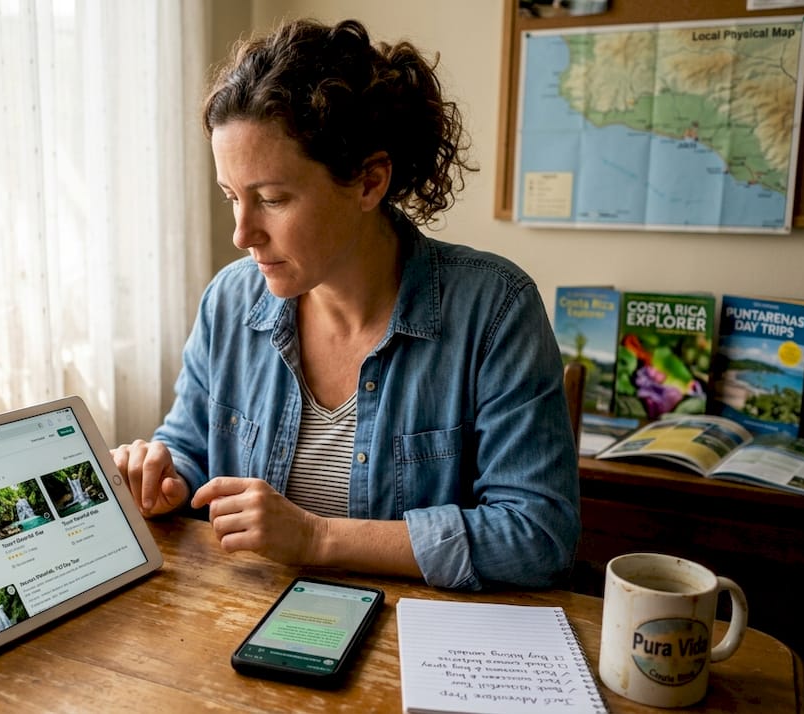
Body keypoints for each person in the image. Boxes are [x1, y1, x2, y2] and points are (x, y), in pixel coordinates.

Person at [112, 18, 579, 590]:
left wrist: (316, 538)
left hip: (417, 650)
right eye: (232, 197)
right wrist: (164, 476)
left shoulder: (496, 309)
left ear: (368, 182)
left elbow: (538, 534)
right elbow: (189, 447)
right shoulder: (229, 301)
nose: (242, 233)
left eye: (273, 199)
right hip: (246, 632)